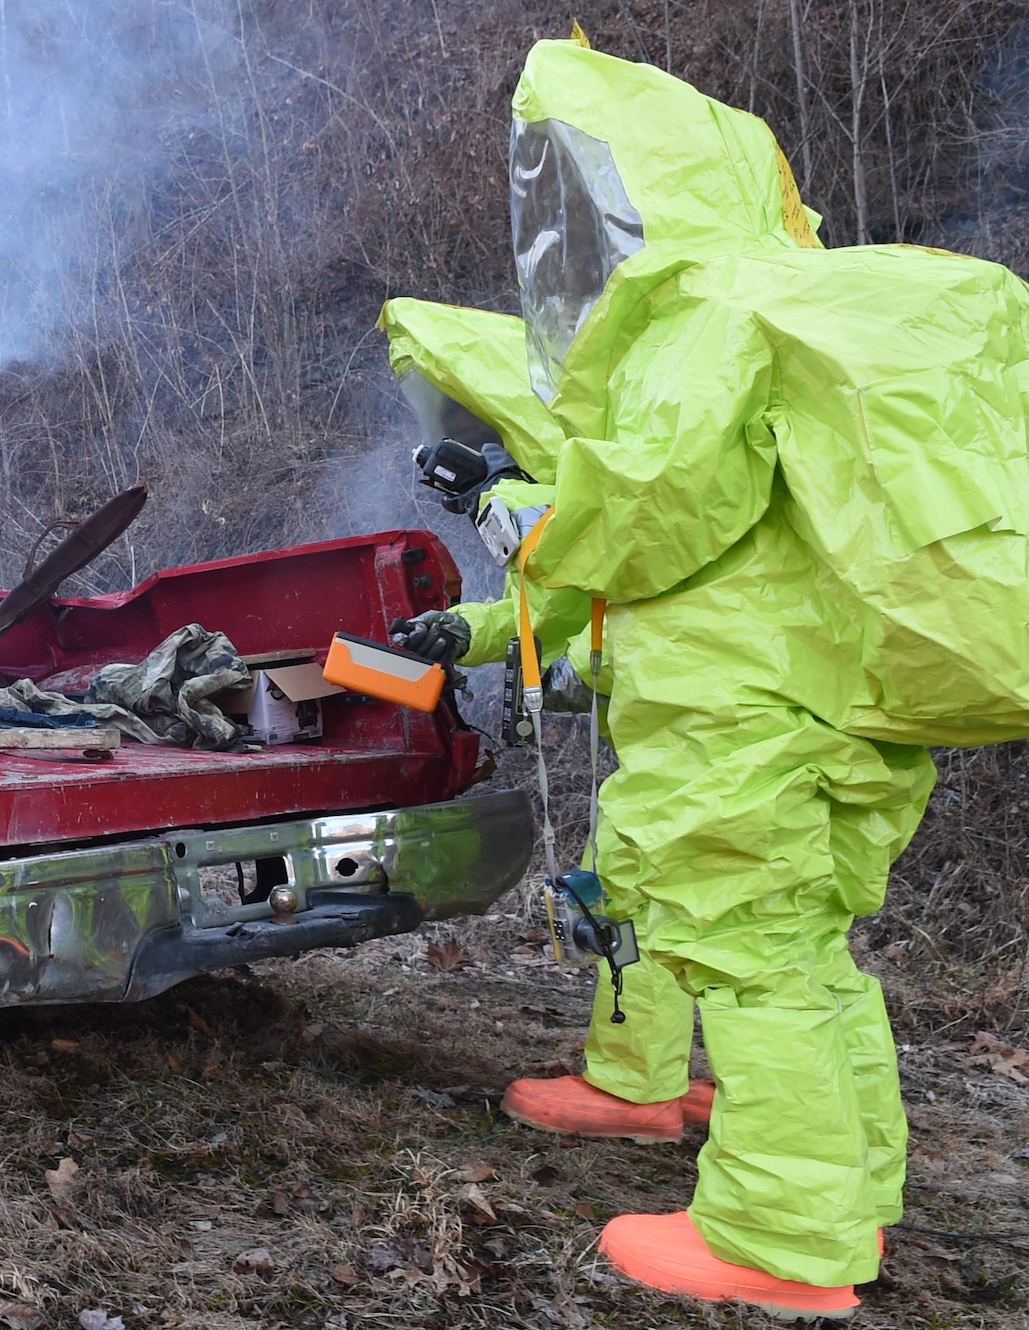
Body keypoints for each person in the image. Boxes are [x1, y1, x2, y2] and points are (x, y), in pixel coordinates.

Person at [484, 32, 1029, 1320]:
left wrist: (527, 523)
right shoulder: (796, 295)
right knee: (807, 956)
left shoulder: (706, 311)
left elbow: (652, 508)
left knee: (747, 957)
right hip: (840, 696)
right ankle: (852, 1197)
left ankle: (780, 1236)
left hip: (742, 706)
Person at [380, 296, 716, 1144]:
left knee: (634, 893)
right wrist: (468, 633)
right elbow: (564, 603)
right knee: (740, 921)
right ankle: (750, 1095)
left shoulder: (606, 473)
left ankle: (636, 1089)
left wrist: (498, 500)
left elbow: (605, 564)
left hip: (709, 719)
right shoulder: (614, 462)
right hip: (728, 712)